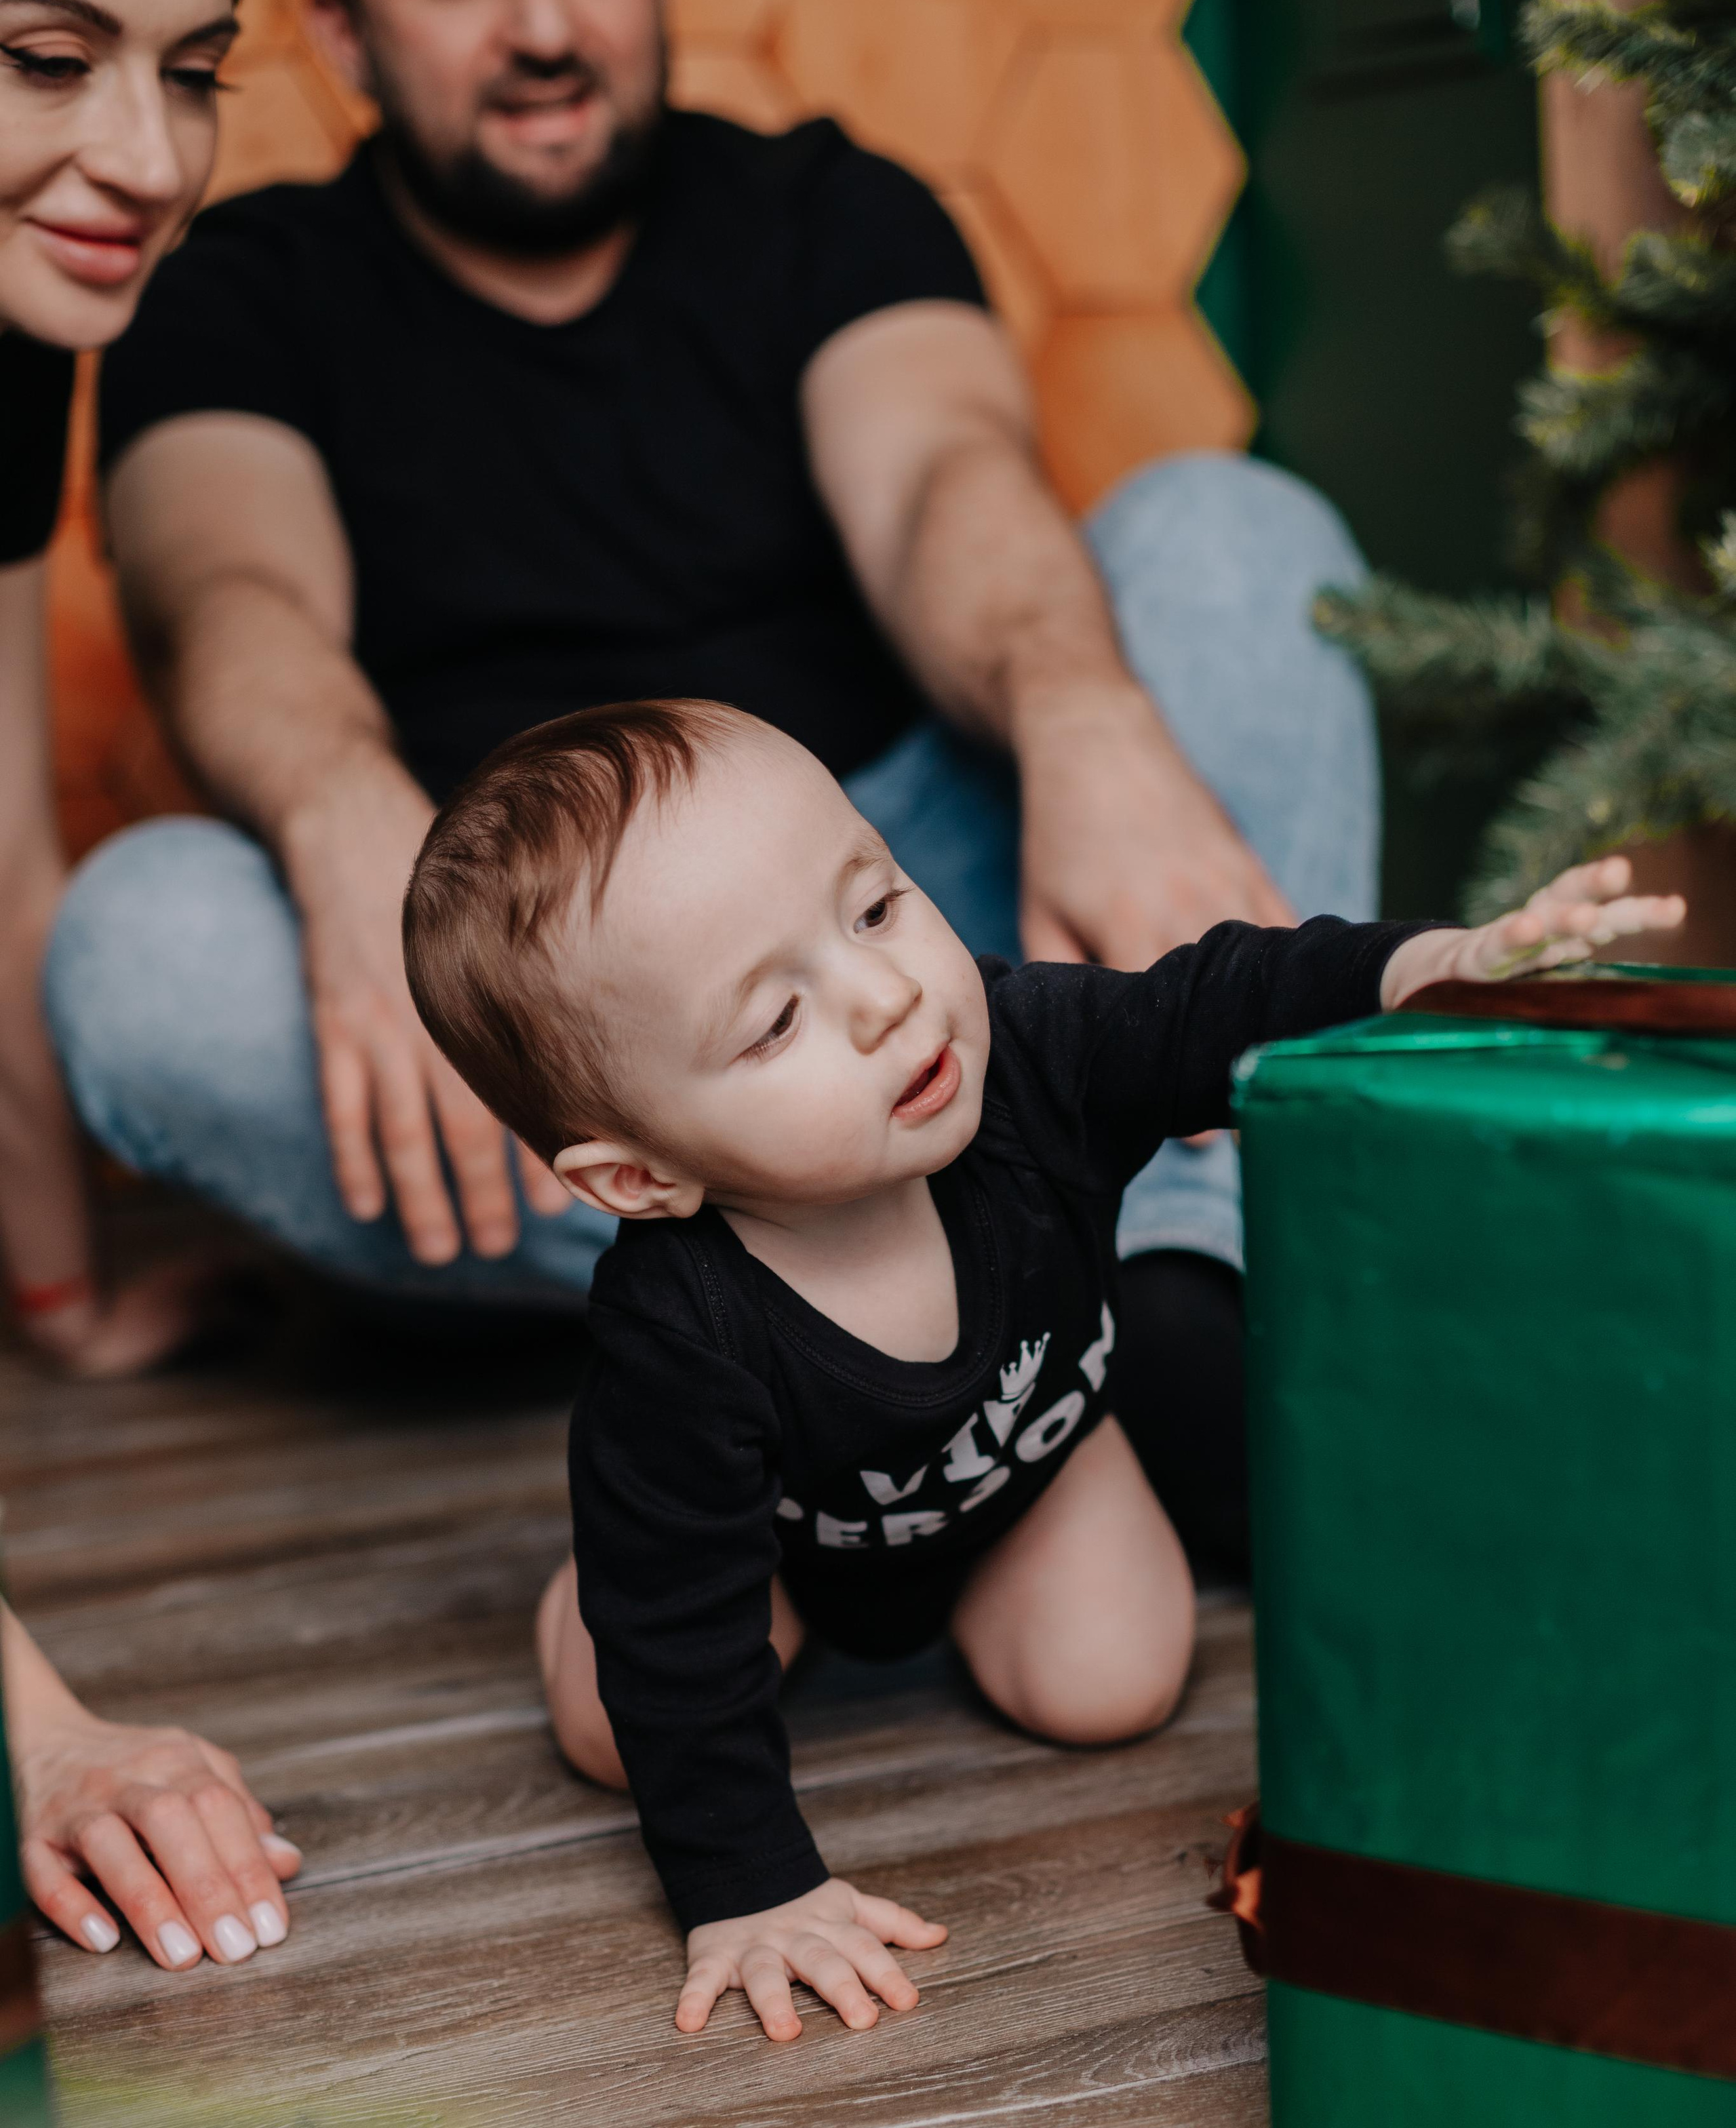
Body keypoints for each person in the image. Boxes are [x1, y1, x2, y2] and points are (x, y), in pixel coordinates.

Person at [46, 0, 1377, 1577]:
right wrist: (340, 823)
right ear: (341, 25)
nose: (542, 23)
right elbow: (222, 594)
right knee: (135, 946)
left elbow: (939, 479)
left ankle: (1185, 1286)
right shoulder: (240, 287)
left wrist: (1080, 719)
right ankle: (768, 1319)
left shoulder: (829, 208)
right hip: (577, 1019)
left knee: (1232, 532)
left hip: (912, 904)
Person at [401, 698, 1682, 2042]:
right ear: (639, 1175)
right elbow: (676, 1663)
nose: (886, 997)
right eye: (775, 1022)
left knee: (1109, 1686)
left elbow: (1210, 999)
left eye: (875, 906)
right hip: (777, 1546)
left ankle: (1066, 1468)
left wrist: (1423, 965)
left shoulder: (1027, 1060)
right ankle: (604, 1577)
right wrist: (750, 1890)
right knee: (621, 1716)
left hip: (1027, 1467)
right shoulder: (679, 1341)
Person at [0, 0, 299, 1971]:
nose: (148, 156)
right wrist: (30, 1734)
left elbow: (2, 850)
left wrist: (53, 1290)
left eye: (193, 69)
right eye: (43, 57)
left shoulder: (21, 345)